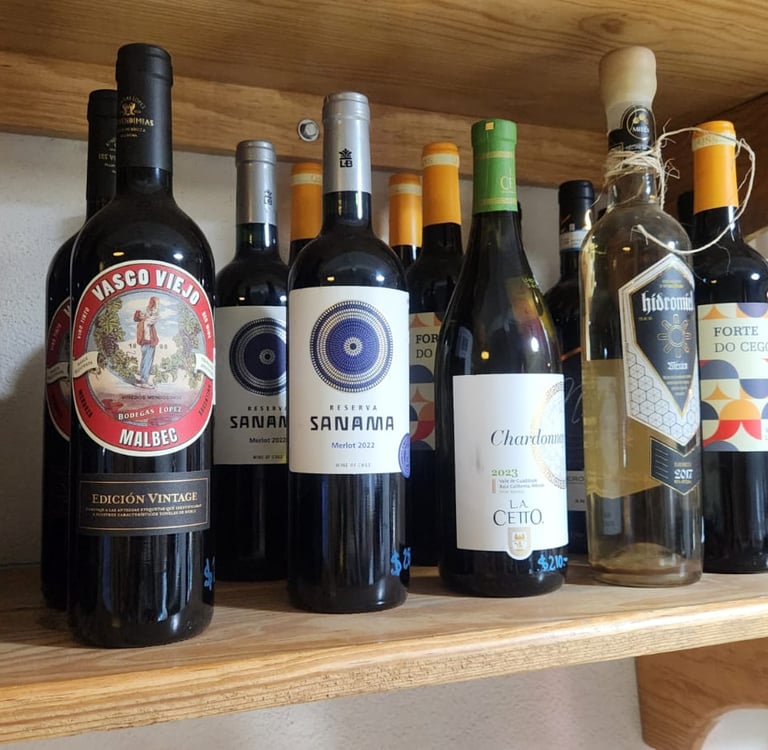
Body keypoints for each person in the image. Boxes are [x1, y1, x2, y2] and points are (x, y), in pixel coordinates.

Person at [134, 296, 159, 388]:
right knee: (148, 362)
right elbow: (155, 317)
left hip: (144, 345)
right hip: (149, 344)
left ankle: (142, 379)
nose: (143, 314)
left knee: (144, 362)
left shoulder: (140, 324)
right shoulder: (146, 322)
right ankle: (144, 381)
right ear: (140, 317)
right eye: (141, 314)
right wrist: (154, 306)